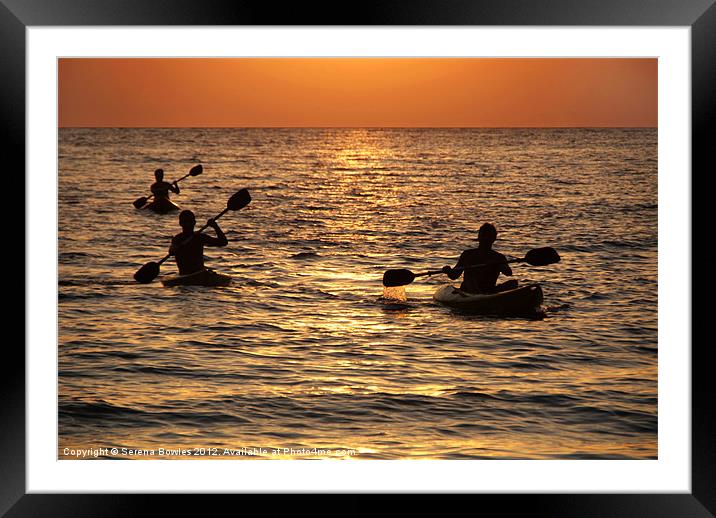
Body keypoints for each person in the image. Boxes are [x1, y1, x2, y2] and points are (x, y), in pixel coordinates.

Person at [442, 223, 518, 294]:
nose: (485, 238)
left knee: (514, 283)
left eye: (488, 236)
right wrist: (449, 271)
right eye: (483, 235)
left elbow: (508, 273)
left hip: (489, 290)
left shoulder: (498, 257)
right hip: (469, 291)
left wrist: (500, 266)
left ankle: (484, 295)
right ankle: (477, 294)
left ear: (493, 239)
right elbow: (454, 275)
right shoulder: (467, 255)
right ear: (479, 237)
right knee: (471, 281)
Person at [169, 210, 228, 275]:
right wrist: (173, 249)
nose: (188, 224)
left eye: (190, 222)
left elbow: (223, 242)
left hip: (199, 272)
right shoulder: (177, 239)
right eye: (185, 222)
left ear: (194, 222)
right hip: (184, 274)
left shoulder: (199, 237)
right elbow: (171, 250)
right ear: (180, 223)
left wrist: (215, 227)